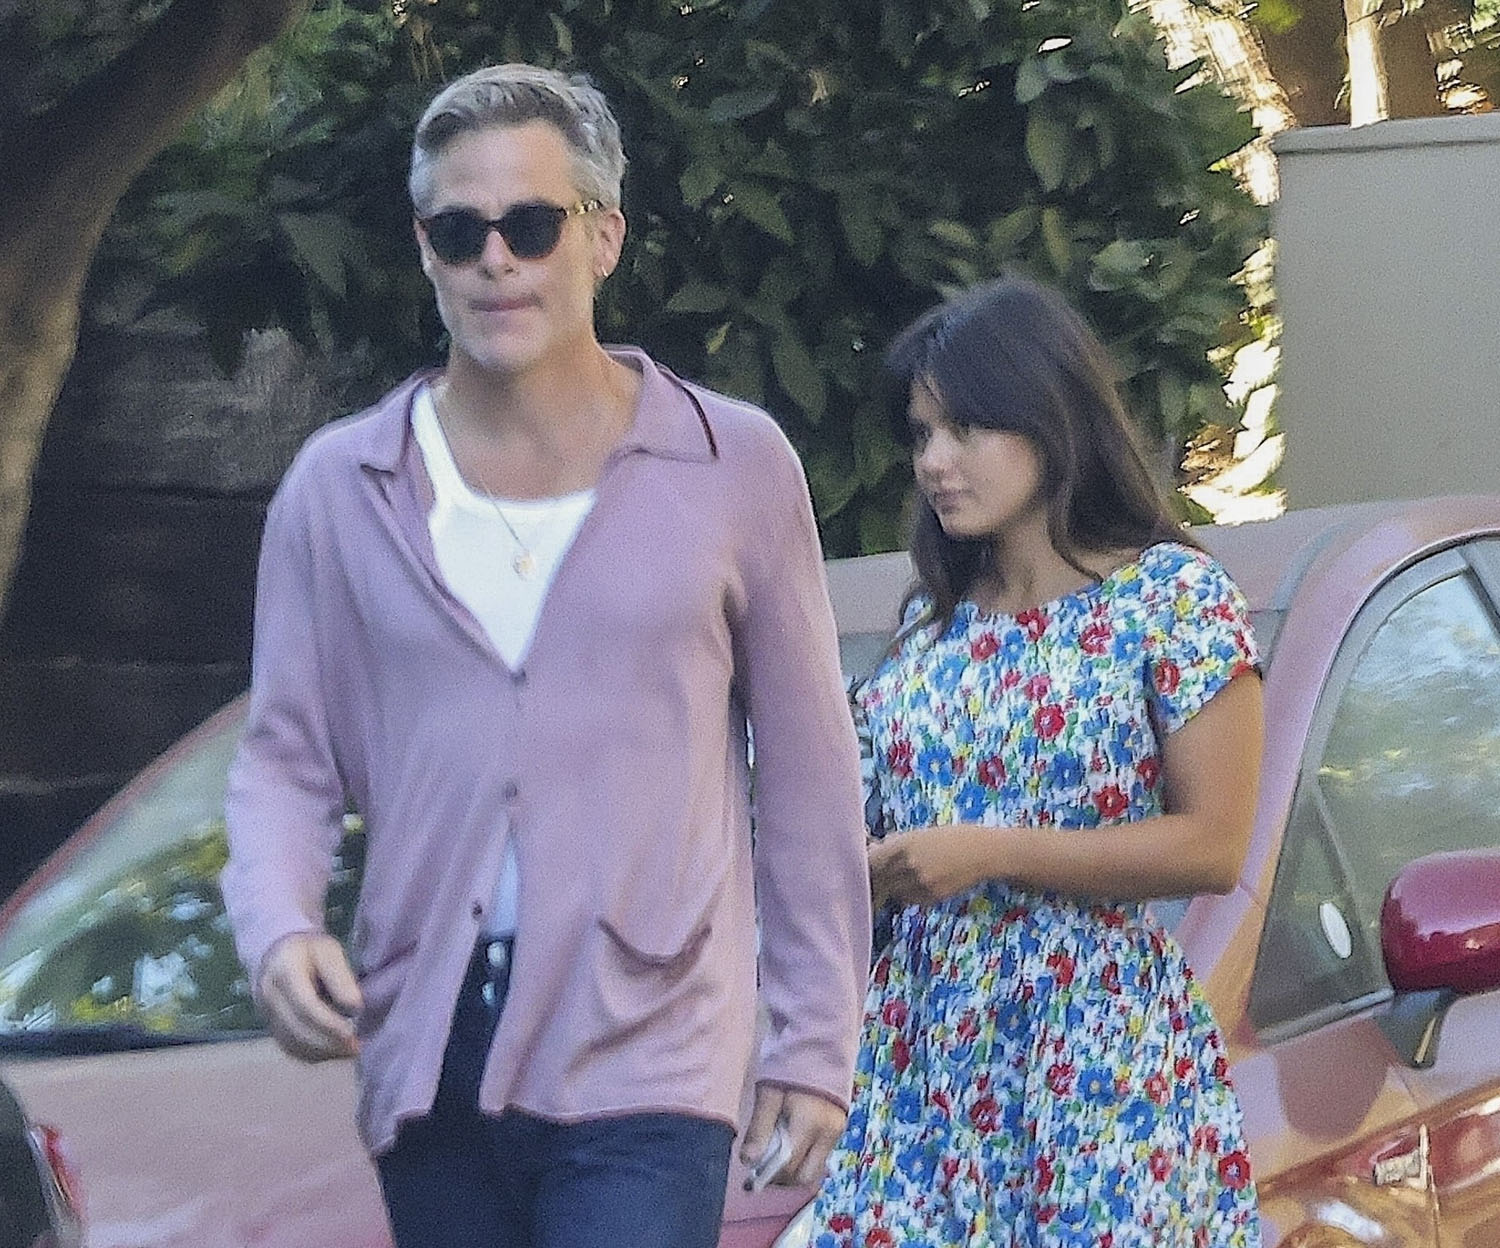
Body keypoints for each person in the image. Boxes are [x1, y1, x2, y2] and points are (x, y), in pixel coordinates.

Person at [220, 63, 870, 1248]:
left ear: (602, 237)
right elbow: (286, 758)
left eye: (530, 226)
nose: (496, 262)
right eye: (458, 232)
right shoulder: (340, 487)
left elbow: (810, 778)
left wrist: (815, 1043)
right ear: (424, 249)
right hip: (426, 1036)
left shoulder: (733, 465)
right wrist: (279, 924)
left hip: (654, 1040)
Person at [803, 277, 1264, 1247]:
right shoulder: (929, 629)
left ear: (1050, 421)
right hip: (923, 1064)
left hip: (1096, 1057)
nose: (934, 461)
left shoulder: (1171, 599)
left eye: (966, 429)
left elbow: (1214, 846)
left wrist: (989, 852)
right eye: (922, 434)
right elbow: (851, 826)